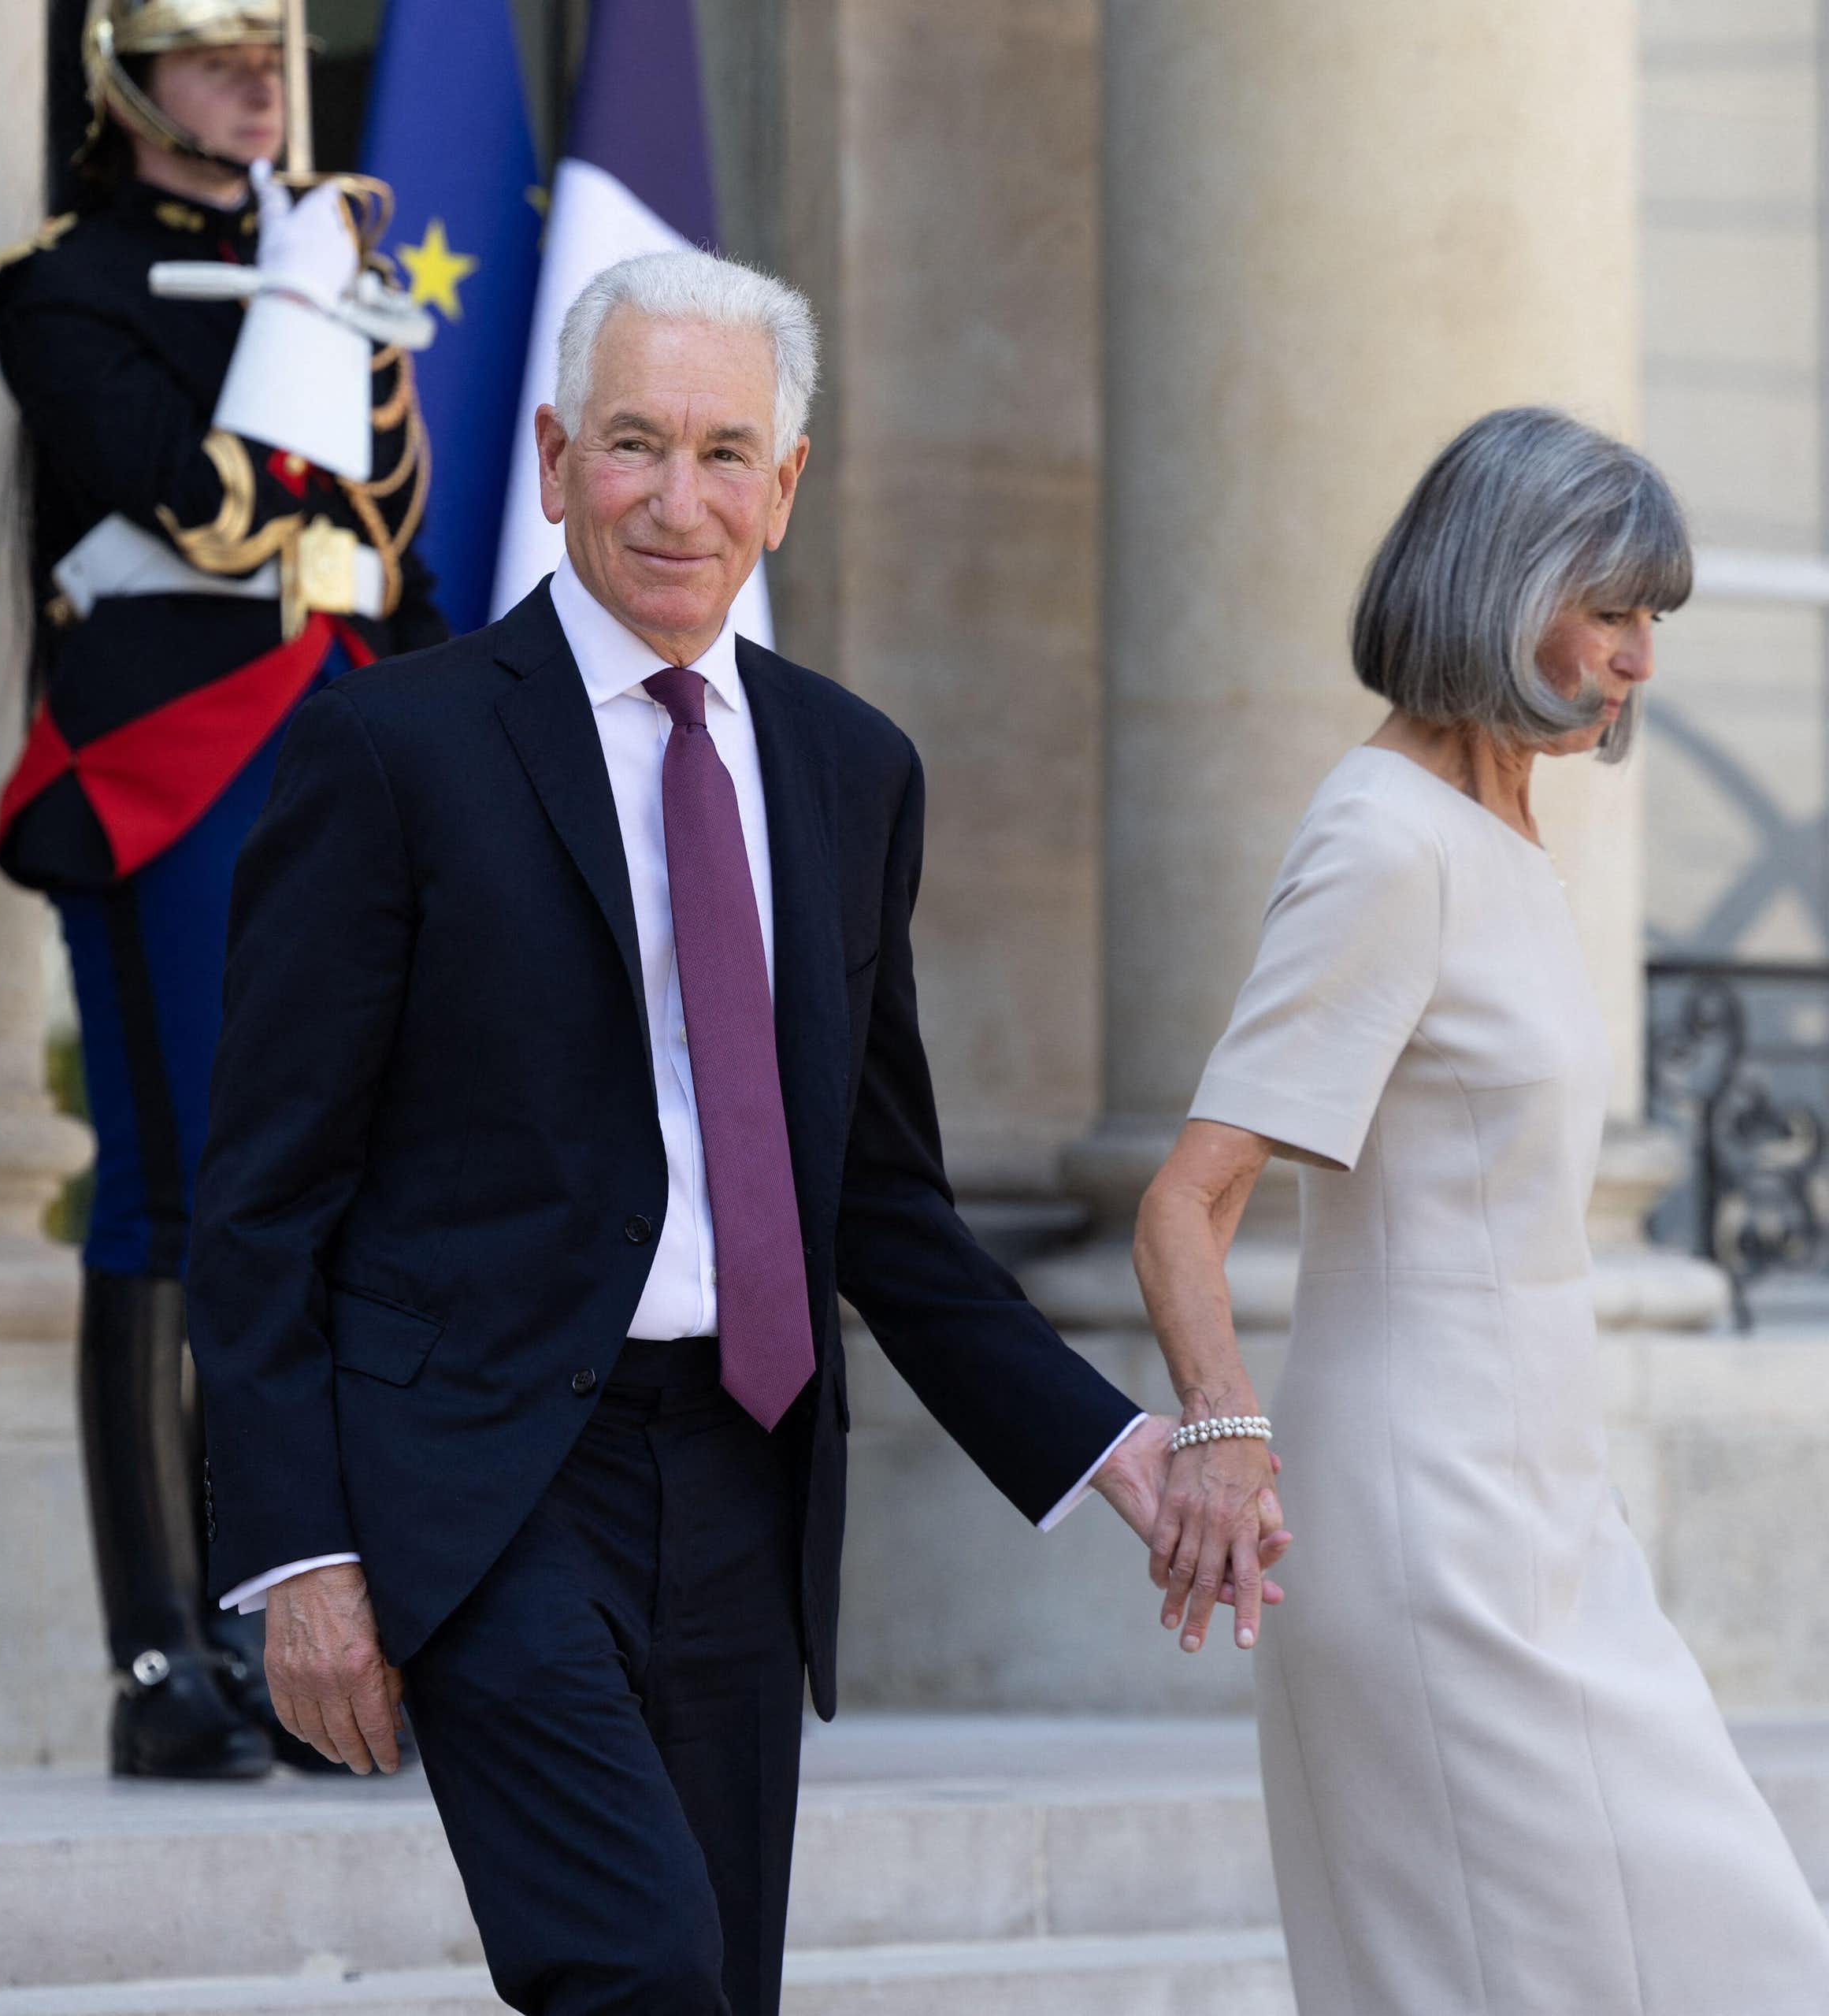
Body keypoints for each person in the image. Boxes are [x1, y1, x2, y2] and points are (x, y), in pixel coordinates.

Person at [184, 247, 1290, 2016]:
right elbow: (258, 1196)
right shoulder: (390, 752)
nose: (674, 499)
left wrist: (1115, 1452)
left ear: (782, 486)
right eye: (632, 445)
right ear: (551, 460)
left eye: (721, 453)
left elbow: (881, 1202)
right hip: (482, 1479)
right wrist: (300, 1554)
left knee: (720, 1986)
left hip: (742, 1477)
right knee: (640, 1968)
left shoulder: (852, 772)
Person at [1134, 407, 1829, 2014]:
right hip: (1424, 1519)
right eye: (1609, 608)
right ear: (1493, 588)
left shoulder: (1497, 832)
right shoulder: (1383, 841)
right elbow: (1186, 1198)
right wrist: (1216, 1432)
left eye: (1648, 617)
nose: (1637, 657)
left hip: (1539, 1505)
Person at [0, 0, 445, 1779]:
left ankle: (309, 1621)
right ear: (122, 77)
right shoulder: (69, 279)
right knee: (178, 1189)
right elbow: (185, 495)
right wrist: (309, 318)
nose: (259, 80)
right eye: (215, 53)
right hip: (174, 762)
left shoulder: (317, 251)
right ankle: (162, 1650)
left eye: (273, 53)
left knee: (356, 1182)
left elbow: (385, 528)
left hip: (348, 738)